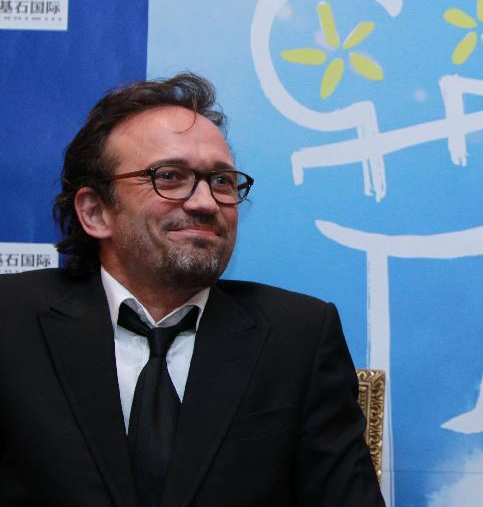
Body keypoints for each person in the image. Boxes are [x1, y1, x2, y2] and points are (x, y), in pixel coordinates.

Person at [0, 74, 385, 506]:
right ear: (96, 212)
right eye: (169, 176)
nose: (205, 202)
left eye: (221, 182)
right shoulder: (10, 323)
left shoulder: (299, 336)